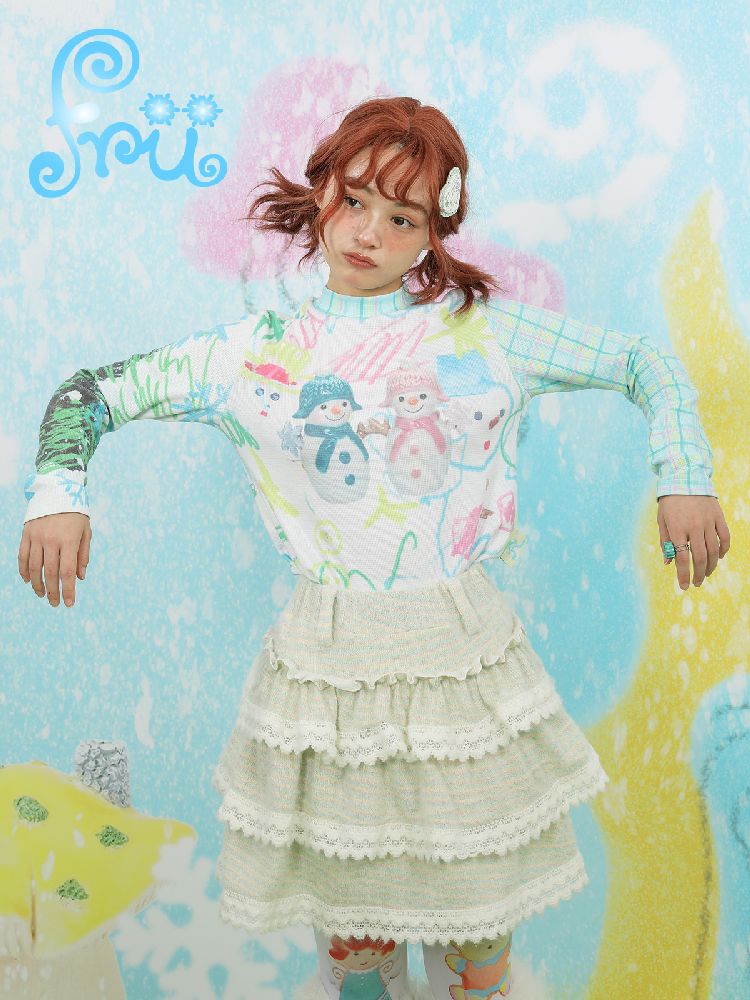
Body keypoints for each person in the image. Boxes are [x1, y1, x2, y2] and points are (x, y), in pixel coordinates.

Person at [18, 96, 730, 1000]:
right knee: (355, 952)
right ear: (320, 189)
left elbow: (646, 363)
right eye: (354, 200)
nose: (368, 233)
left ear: (436, 231)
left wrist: (684, 475)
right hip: (331, 681)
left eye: (403, 217)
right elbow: (87, 395)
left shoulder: (483, 333)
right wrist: (58, 495)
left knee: (477, 951)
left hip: (461, 670)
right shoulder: (254, 353)